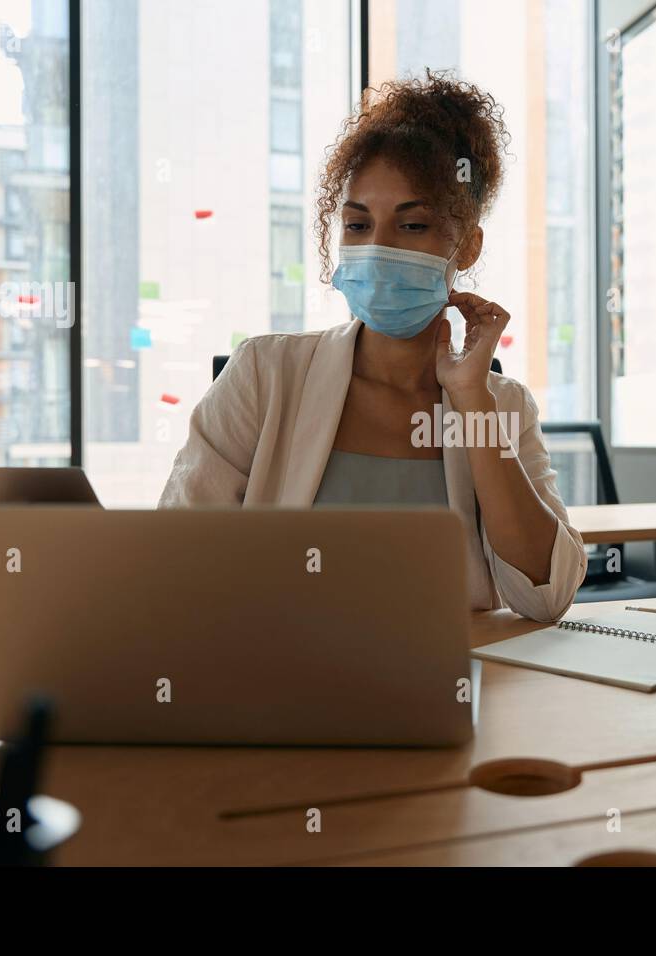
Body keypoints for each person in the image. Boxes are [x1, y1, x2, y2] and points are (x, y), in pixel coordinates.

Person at [159, 70, 587, 622]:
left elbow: (545, 596)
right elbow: (175, 554)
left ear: (468, 245)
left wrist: (471, 399)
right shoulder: (264, 373)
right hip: (281, 680)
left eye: (412, 226)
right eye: (358, 226)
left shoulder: (501, 406)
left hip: (450, 686)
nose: (379, 249)